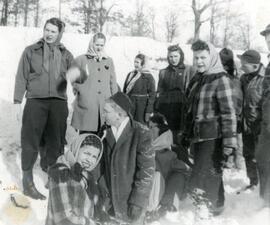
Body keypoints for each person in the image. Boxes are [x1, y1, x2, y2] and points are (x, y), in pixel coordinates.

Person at [13, 17, 74, 200]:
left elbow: (79, 79)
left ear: (60, 34)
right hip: (35, 101)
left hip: (58, 103)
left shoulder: (66, 54)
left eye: (53, 31)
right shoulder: (31, 51)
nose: (49, 34)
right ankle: (28, 182)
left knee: (56, 141)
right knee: (30, 141)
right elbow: (21, 77)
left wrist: (81, 98)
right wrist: (17, 102)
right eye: (47, 29)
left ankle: (53, 177)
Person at [183, 40, 237, 215]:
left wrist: (229, 142)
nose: (199, 61)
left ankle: (205, 210)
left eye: (203, 57)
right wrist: (185, 132)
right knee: (212, 172)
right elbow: (189, 109)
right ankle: (217, 206)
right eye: (196, 57)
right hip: (197, 135)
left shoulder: (221, 79)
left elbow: (229, 113)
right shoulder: (197, 79)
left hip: (213, 137)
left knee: (201, 176)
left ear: (212, 57)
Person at [100, 92, 155, 224]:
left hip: (130, 204)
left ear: (119, 114)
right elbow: (100, 166)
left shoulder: (141, 133)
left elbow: (146, 172)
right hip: (110, 203)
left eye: (106, 111)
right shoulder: (104, 132)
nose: (103, 115)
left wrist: (138, 201)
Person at [45, 133, 103, 225]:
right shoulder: (62, 174)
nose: (89, 160)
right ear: (76, 149)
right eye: (87, 153)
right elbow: (64, 218)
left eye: (94, 157)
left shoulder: (86, 175)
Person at [67, 32, 118, 134]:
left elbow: (113, 81)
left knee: (104, 134)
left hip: (104, 103)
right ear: (92, 43)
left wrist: (114, 100)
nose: (99, 47)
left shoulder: (108, 61)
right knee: (86, 134)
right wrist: (81, 90)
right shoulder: (81, 59)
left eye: (101, 45)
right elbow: (72, 76)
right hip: (87, 104)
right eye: (97, 44)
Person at [145, 113, 190, 223]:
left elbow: (185, 171)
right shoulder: (143, 148)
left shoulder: (173, 151)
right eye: (148, 127)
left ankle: (164, 208)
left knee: (163, 175)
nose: (148, 130)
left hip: (164, 193)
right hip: (146, 193)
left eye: (152, 127)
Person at [155, 44, 195, 144]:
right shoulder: (163, 72)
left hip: (181, 111)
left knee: (180, 142)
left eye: (176, 56)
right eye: (171, 57)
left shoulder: (189, 70)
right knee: (165, 140)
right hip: (166, 110)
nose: (173, 59)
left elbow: (192, 92)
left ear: (181, 56)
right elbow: (159, 92)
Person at [238, 50, 265, 189]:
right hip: (246, 125)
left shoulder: (266, 77)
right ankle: (253, 182)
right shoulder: (243, 78)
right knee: (248, 155)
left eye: (244, 64)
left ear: (255, 65)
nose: (241, 67)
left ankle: (265, 186)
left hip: (261, 127)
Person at [219, 48, 244, 169]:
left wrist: (238, 115)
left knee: (236, 146)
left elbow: (239, 99)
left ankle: (236, 167)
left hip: (235, 118)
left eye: (226, 65)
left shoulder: (236, 81)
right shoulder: (215, 79)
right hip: (221, 119)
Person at [254, 25, 270, 207]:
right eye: (267, 37)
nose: (268, 40)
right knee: (263, 158)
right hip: (266, 120)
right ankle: (266, 202)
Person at [123, 53, 155, 124]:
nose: (135, 64)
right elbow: (124, 91)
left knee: (140, 127)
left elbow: (152, 95)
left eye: (137, 62)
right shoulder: (130, 74)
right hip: (130, 105)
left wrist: (148, 111)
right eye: (135, 62)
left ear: (143, 63)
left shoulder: (148, 76)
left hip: (141, 108)